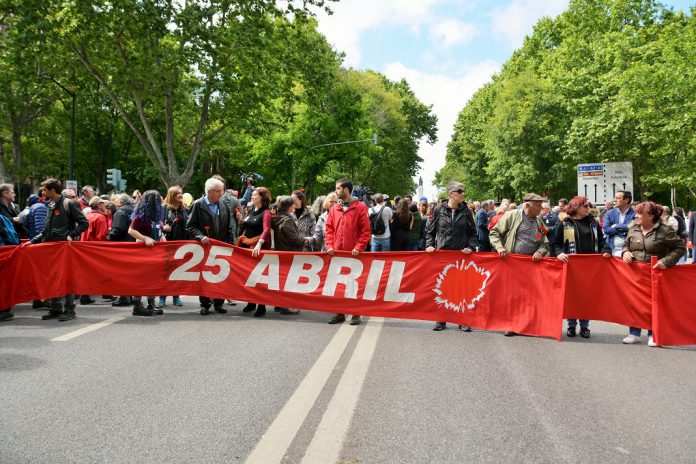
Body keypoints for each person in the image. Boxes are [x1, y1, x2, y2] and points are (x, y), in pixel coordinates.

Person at [621, 202, 686, 346]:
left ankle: (653, 334)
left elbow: (680, 248)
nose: (636, 216)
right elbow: (626, 244)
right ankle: (634, 333)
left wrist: (666, 262)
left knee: (653, 304)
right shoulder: (634, 228)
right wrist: (625, 252)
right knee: (634, 303)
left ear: (650, 216)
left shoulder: (665, 230)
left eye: (639, 213)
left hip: (655, 274)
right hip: (634, 274)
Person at [24, 178, 89, 321]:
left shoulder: (69, 203)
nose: (43, 192)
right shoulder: (50, 204)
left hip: (64, 249)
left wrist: (71, 235)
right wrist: (32, 241)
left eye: (45, 190)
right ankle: (56, 308)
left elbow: (84, 223)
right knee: (52, 277)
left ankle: (69, 309)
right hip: (51, 249)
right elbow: (46, 230)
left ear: (52, 190)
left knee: (66, 278)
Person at [490, 193, 549, 336]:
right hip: (512, 263)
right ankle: (510, 324)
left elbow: (545, 243)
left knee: (528, 296)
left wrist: (540, 252)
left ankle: (525, 325)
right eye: (538, 205)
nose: (541, 208)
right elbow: (494, 232)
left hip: (531, 265)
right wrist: (499, 247)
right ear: (528, 205)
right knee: (511, 296)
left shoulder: (539, 221)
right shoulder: (512, 215)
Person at [552, 196, 611, 338]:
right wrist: (559, 254)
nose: (588, 209)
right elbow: (556, 244)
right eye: (585, 206)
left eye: (588, 206)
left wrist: (606, 250)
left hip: (590, 267)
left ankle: (585, 327)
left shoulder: (594, 223)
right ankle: (571, 326)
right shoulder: (565, 223)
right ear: (576, 207)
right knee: (572, 296)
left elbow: (603, 241)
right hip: (571, 266)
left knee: (586, 297)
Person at [426, 181, 478, 332]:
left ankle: (462, 319)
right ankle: (441, 319)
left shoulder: (467, 211)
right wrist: (429, 245)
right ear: (451, 194)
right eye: (460, 191)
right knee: (441, 286)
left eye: (463, 191)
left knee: (462, 287)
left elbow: (473, 233)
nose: (463, 194)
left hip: (461, 255)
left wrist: (470, 246)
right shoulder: (438, 209)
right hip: (442, 254)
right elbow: (430, 231)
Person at [325, 178, 371, 326]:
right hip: (337, 252)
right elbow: (329, 229)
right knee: (338, 284)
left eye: (338, 188)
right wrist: (330, 245)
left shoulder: (360, 207)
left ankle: (356, 313)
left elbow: (365, 231)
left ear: (346, 189)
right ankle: (339, 312)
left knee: (354, 284)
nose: (336, 191)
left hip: (354, 254)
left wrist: (358, 247)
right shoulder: (334, 209)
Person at [186, 177, 235, 316]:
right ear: (209, 192)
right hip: (204, 248)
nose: (222, 193)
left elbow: (229, 227)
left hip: (221, 246)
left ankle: (219, 303)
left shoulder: (224, 204)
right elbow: (190, 227)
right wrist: (201, 237)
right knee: (205, 276)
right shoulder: (197, 205)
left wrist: (230, 244)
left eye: (222, 190)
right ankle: (205, 304)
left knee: (221, 274)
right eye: (219, 191)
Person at [128, 190, 167, 316]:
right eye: (158, 199)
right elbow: (131, 230)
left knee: (153, 279)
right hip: (142, 253)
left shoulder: (158, 216)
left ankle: (151, 302)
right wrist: (145, 238)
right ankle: (137, 305)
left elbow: (159, 231)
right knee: (141, 279)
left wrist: (163, 238)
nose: (161, 200)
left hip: (155, 253)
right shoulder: (141, 217)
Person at [237, 187, 273, 316]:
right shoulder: (250, 211)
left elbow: (266, 229)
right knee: (248, 276)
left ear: (262, 198)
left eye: (254, 195)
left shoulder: (266, 212)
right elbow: (246, 227)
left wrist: (259, 243)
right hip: (247, 248)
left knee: (259, 277)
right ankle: (251, 302)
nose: (251, 197)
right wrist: (241, 220)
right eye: (251, 195)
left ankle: (261, 305)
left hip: (259, 249)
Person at [270, 195, 305, 316]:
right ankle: (285, 306)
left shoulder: (277, 218)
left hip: (281, 252)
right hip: (290, 253)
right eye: (293, 204)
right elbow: (294, 239)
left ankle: (279, 305)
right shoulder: (287, 220)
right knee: (288, 281)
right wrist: (305, 240)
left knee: (282, 280)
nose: (295, 206)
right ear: (289, 206)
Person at [157, 186, 189, 309]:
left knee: (178, 272)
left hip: (181, 245)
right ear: (171, 196)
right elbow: (156, 223)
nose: (180, 195)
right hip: (167, 244)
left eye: (181, 193)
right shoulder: (164, 209)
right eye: (177, 194)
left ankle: (176, 296)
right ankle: (162, 297)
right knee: (165, 272)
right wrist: (163, 227)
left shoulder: (185, 209)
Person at [107, 194, 137, 306]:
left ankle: (124, 297)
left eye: (117, 201)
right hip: (134, 244)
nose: (115, 203)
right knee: (131, 273)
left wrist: (108, 238)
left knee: (122, 272)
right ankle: (132, 297)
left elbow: (118, 229)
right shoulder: (135, 211)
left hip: (123, 246)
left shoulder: (120, 212)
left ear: (121, 203)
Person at [603, 190, 635, 257]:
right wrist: (624, 229)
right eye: (615, 198)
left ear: (626, 200)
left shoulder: (635, 214)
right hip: (611, 251)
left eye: (618, 198)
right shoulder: (610, 213)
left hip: (629, 252)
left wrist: (616, 226)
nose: (615, 200)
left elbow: (633, 230)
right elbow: (606, 229)